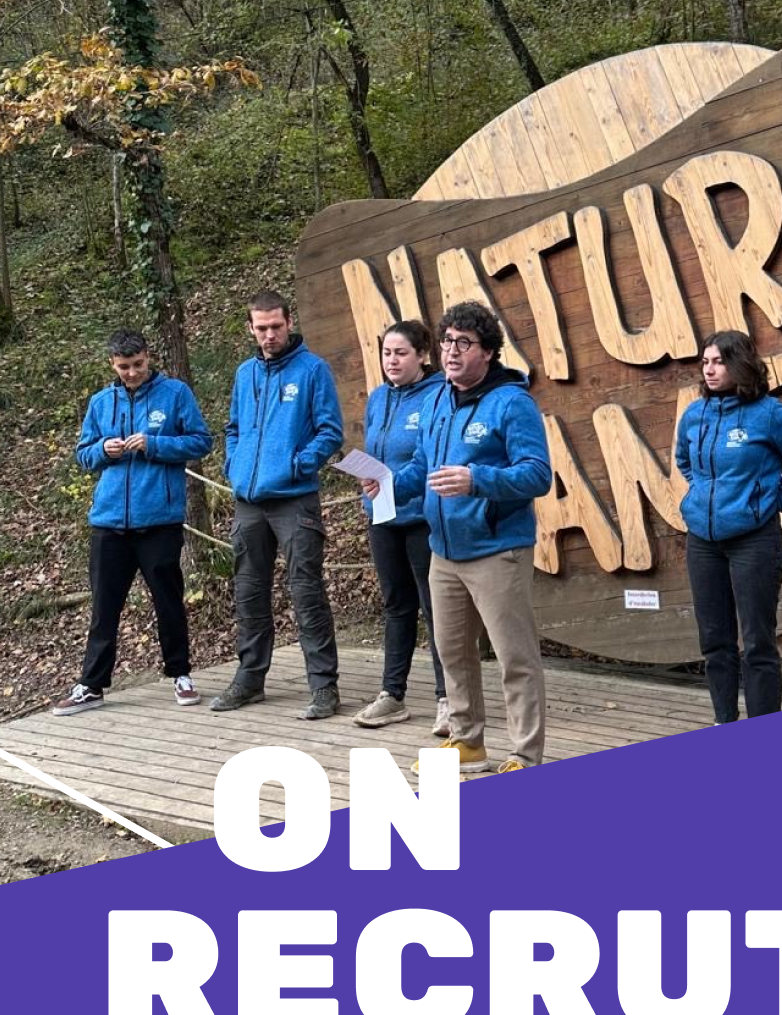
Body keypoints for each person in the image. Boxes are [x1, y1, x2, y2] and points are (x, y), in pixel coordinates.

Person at [363, 301, 551, 773]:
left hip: (497, 549)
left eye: (463, 343)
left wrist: (477, 480)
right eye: (447, 341)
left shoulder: (512, 403)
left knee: (515, 658)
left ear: (487, 352)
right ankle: (467, 742)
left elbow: (537, 474)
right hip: (443, 551)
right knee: (452, 654)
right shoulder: (437, 400)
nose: (451, 351)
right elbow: (423, 467)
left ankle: (525, 755)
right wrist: (388, 484)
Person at [54, 329, 212, 716]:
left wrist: (154, 444)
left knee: (168, 602)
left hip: (159, 519)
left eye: (138, 364)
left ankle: (181, 674)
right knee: (104, 607)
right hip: (109, 521)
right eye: (124, 367)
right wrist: (102, 450)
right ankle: (91, 685)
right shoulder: (100, 402)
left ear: (148, 356)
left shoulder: (175, 394)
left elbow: (200, 441)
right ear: (112, 364)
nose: (132, 372)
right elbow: (83, 454)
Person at [676, 330, 782, 724]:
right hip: (703, 541)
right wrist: (702, 495)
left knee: (757, 643)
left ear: (740, 364)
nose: (709, 370)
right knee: (715, 642)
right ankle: (724, 722)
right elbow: (684, 461)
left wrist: (772, 499)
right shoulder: (694, 415)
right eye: (705, 362)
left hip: (754, 541)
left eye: (718, 362)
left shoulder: (770, 414)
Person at [211, 289, 343, 719]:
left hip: (294, 500)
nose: (269, 335)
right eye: (262, 328)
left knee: (306, 591)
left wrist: (297, 464)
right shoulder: (244, 373)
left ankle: (323, 686)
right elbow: (233, 427)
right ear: (250, 329)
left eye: (276, 326)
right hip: (248, 502)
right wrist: (234, 465)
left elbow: (330, 431)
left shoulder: (312, 370)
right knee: (249, 592)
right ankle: (250, 680)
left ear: (289, 323)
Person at [354, 322, 449, 737]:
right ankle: (392, 694)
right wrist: (367, 476)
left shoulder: (438, 395)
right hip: (382, 515)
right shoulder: (378, 397)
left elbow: (432, 457)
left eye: (401, 353)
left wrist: (395, 482)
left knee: (436, 607)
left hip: (421, 516)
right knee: (396, 605)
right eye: (386, 353)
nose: (391, 361)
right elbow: (375, 450)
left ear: (423, 355)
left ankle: (449, 698)